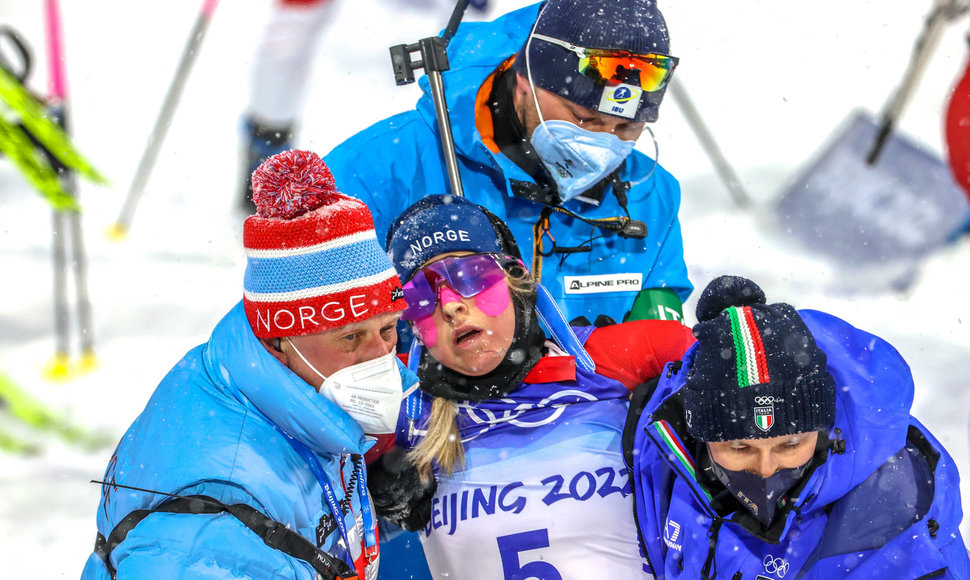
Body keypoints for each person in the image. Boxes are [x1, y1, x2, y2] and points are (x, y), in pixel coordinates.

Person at [81, 150, 414, 580]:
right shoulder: (209, 526)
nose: (380, 357)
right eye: (350, 337)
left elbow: (299, 529)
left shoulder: (294, 392)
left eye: (388, 330)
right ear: (279, 340)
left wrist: (374, 499)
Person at [367, 194, 696, 577]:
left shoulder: (621, 358)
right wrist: (373, 495)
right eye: (421, 295)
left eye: (470, 276)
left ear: (515, 279)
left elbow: (755, 371)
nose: (450, 305)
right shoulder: (399, 417)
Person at [324, 0, 692, 329]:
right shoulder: (380, 169)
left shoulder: (651, 192)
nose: (603, 145)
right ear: (523, 81)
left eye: (627, 127)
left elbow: (658, 346)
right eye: (584, 119)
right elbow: (308, 348)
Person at [626, 275, 970, 578]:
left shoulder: (890, 511)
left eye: (790, 445)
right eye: (739, 447)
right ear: (699, 433)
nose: (765, 468)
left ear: (822, 430)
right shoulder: (665, 448)